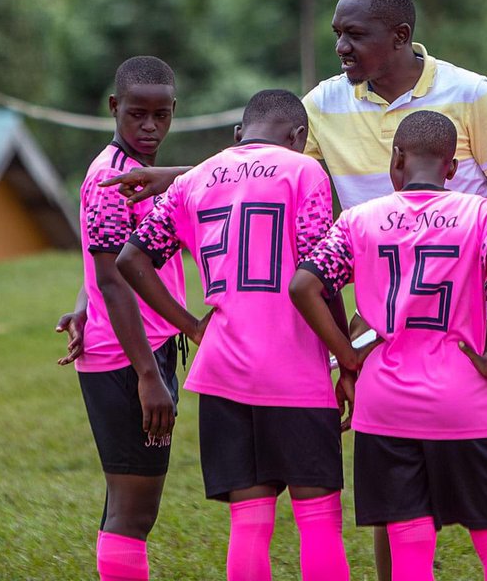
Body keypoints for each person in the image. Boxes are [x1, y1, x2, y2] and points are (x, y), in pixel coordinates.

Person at [100, 0, 487, 580]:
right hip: (384, 313)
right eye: (337, 34)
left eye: (354, 35)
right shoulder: (323, 103)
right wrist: (174, 176)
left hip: (478, 315)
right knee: (392, 477)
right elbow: (264, 162)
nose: (341, 47)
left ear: (401, 37)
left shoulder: (470, 93)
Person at [114, 90, 351, 581]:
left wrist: (191, 325)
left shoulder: (196, 178)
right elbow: (318, 275)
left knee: (249, 523)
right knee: (318, 521)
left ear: (239, 134)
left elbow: (130, 259)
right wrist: (345, 357)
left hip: (224, 369)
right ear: (298, 137)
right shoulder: (304, 171)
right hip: (294, 369)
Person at [290, 110, 487, 581]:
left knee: (409, 544)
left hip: (385, 401)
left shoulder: (358, 220)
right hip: (465, 399)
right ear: (451, 168)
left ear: (396, 159)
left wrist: (346, 354)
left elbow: (304, 285)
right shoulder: (485, 214)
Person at [67, 56, 186, 581]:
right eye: (137, 114)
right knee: (134, 512)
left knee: (125, 505)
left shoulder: (140, 174)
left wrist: (81, 303)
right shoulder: (112, 179)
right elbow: (113, 278)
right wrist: (147, 376)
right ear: (114, 107)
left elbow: (99, 263)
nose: (149, 126)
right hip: (129, 359)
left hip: (135, 351)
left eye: (161, 115)